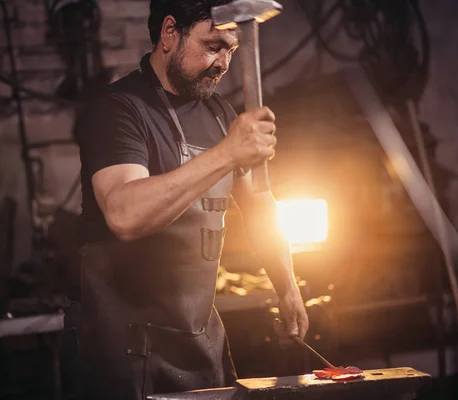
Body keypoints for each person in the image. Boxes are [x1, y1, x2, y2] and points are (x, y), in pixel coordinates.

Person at [76, 0, 309, 398]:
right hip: (124, 356)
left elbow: (259, 201)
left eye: (231, 51)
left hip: (201, 346)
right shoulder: (118, 110)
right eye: (212, 46)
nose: (222, 63)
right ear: (170, 33)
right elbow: (124, 214)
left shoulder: (220, 114)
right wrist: (226, 155)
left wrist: (287, 287)